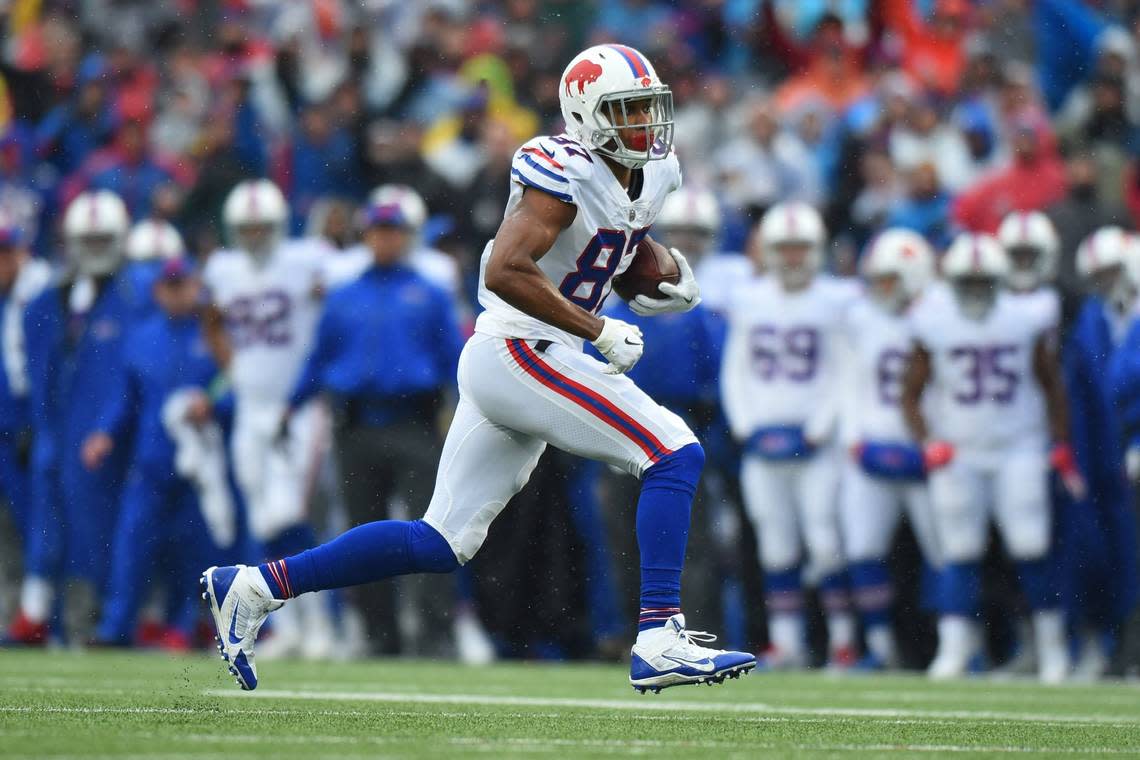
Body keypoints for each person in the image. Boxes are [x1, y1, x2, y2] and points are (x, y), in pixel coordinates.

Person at [201, 44, 754, 693]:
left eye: (647, 110)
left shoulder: (654, 174)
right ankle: (660, 636)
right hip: (522, 347)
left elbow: (617, 245)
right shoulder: (561, 168)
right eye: (626, 112)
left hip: (529, 356)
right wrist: (598, 327)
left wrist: (661, 274)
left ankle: (256, 586)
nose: (643, 126)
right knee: (674, 452)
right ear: (585, 116)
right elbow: (505, 270)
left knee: (442, 540)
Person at [285, 198, 478, 658]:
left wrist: (468, 406)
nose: (386, 238)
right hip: (354, 426)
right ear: (366, 235)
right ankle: (378, 633)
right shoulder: (344, 294)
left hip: (414, 423)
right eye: (378, 230)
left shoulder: (429, 294)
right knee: (361, 530)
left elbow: (456, 359)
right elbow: (319, 360)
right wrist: (288, 406)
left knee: (434, 532)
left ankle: (436, 635)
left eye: (394, 231)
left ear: (407, 237)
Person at [902, 233, 1081, 683]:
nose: (978, 290)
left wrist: (1058, 442)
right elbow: (910, 392)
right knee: (959, 550)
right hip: (958, 449)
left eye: (985, 282)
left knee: (1030, 545)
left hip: (1018, 445)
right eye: (969, 282)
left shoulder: (1024, 318)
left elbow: (1052, 385)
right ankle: (954, 649)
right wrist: (927, 440)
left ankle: (1053, 649)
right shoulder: (935, 320)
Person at [200, 178, 335, 660]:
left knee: (288, 515)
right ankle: (290, 627)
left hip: (295, 408)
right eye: (246, 229)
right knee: (260, 516)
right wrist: (232, 370)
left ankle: (321, 623)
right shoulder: (223, 268)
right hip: (251, 406)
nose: (254, 237)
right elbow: (211, 320)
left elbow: (334, 303)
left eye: (262, 228)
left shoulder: (306, 261)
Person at [720, 201, 856, 669]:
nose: (794, 257)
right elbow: (735, 368)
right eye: (786, 248)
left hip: (817, 444)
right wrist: (745, 424)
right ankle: (788, 641)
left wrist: (822, 424)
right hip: (765, 441)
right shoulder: (751, 297)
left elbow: (846, 369)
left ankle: (842, 641)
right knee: (776, 546)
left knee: (824, 542)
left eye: (802, 248)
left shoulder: (835, 299)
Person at [9, 191, 139, 645]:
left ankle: (101, 618)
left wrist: (110, 425)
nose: (96, 247)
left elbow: (131, 372)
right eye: (89, 238)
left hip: (106, 434)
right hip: (56, 429)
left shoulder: (132, 296)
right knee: (45, 523)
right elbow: (34, 367)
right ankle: (40, 613)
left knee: (101, 529)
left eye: (105, 238)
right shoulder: (49, 300)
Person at [84, 258, 223, 649]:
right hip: (151, 462)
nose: (178, 293)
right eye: (171, 285)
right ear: (159, 290)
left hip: (200, 465)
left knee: (195, 552)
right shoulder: (142, 337)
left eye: (184, 285)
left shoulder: (212, 331)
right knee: (131, 546)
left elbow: (232, 383)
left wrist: (212, 404)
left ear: (195, 286)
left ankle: (187, 626)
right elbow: (124, 399)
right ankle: (116, 626)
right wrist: (104, 434)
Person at [838, 229, 941, 670]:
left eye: (890, 279)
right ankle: (881, 648)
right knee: (862, 548)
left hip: (929, 450)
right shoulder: (860, 317)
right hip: (875, 443)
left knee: (947, 550)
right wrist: (854, 438)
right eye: (876, 279)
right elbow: (847, 380)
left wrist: (941, 443)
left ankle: (962, 644)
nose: (881, 288)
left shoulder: (940, 316)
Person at [1065, 227, 1140, 677]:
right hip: (1107, 451)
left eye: (1112, 271)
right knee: (1111, 553)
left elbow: (1118, 379)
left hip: (1130, 440)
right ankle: (1116, 644)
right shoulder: (1095, 315)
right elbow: (1089, 384)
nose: (1106, 282)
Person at [0, 221, 50, 623]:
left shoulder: (37, 294)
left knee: (36, 519)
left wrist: (36, 420)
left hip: (23, 424)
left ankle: (37, 613)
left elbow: (39, 370)